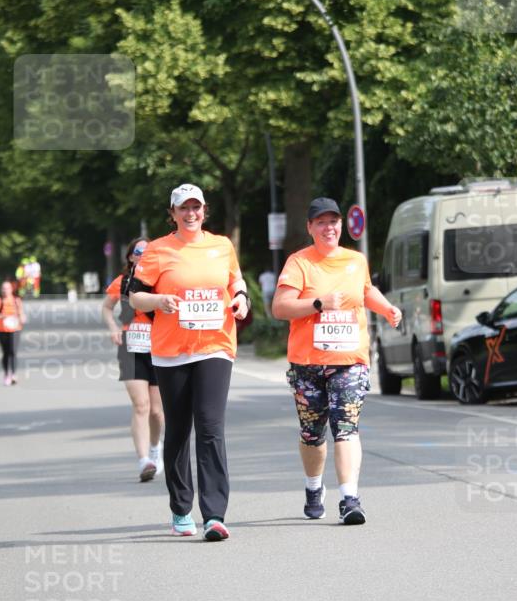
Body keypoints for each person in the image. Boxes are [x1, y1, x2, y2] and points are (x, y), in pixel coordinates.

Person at [129, 183, 250, 541]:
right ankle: (181, 508)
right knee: (179, 430)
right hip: (171, 351)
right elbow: (135, 297)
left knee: (211, 427)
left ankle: (214, 515)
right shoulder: (157, 250)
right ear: (173, 213)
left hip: (215, 346)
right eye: (183, 208)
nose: (191, 213)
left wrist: (241, 299)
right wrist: (159, 301)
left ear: (204, 210)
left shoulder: (222, 245)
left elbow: (236, 281)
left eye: (196, 207)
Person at [272, 197, 402, 525]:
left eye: (333, 221)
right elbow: (280, 307)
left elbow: (366, 291)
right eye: (321, 222)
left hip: (349, 359)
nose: (328, 228)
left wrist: (386, 308)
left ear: (341, 225)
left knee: (346, 427)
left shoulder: (355, 261)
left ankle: (349, 498)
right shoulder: (299, 263)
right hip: (307, 363)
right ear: (310, 227)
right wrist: (318, 303)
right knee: (312, 434)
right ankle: (313, 486)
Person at [102, 237, 165, 483]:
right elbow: (107, 307)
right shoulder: (121, 282)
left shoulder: (159, 281)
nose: (143, 255)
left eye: (148, 252)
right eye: (139, 252)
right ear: (130, 257)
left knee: (157, 411)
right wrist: (113, 328)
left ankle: (155, 448)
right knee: (141, 405)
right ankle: (144, 461)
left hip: (159, 347)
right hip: (131, 346)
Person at [0, 280, 26, 385]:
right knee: (5, 353)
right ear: (1, 290)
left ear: (11, 289)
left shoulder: (16, 300)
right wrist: (2, 316)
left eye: (7, 288)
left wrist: (22, 318)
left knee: (13, 351)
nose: (5, 290)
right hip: (2, 330)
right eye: (3, 288)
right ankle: (6, 374)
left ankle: (14, 374)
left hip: (15, 329)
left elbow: (21, 314)